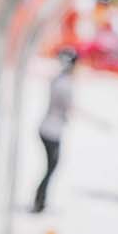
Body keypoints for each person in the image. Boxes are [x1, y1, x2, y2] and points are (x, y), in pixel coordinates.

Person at [32, 48, 77, 214]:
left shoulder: (59, 80)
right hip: (52, 130)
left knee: (51, 167)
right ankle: (39, 201)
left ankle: (41, 200)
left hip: (51, 128)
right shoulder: (64, 83)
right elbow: (68, 108)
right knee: (51, 167)